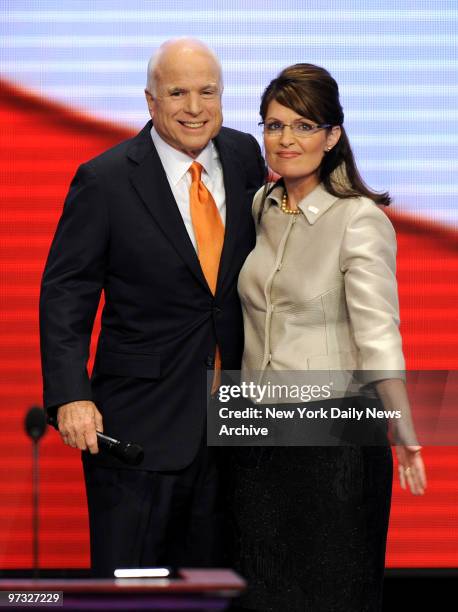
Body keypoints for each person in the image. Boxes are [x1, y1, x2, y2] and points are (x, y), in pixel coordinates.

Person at [39, 38, 265, 576]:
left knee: (219, 586)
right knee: (134, 588)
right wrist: (71, 394)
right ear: (150, 100)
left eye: (207, 92)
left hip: (234, 427)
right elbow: (65, 293)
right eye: (178, 93)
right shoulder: (106, 179)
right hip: (138, 430)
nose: (194, 107)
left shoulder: (244, 157)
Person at [229, 64, 427, 611]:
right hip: (255, 437)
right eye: (273, 125)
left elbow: (378, 332)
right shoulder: (261, 208)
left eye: (303, 125)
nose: (286, 140)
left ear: (333, 136)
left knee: (330, 597)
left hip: (331, 444)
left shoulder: (359, 219)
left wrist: (404, 428)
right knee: (261, 596)